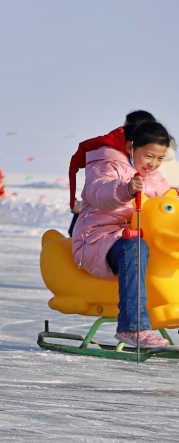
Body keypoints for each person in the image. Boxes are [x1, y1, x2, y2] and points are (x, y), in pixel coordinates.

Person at [71, 120, 174, 349]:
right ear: (130, 147)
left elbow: (167, 206)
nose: (153, 164)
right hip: (97, 240)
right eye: (149, 156)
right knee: (135, 247)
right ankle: (132, 327)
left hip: (135, 238)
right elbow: (99, 192)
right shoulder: (106, 166)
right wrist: (125, 190)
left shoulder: (155, 179)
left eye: (159, 158)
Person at [67, 110, 155, 235]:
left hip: (140, 222)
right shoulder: (112, 159)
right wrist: (126, 190)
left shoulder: (146, 160)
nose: (124, 132)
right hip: (108, 225)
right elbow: (100, 188)